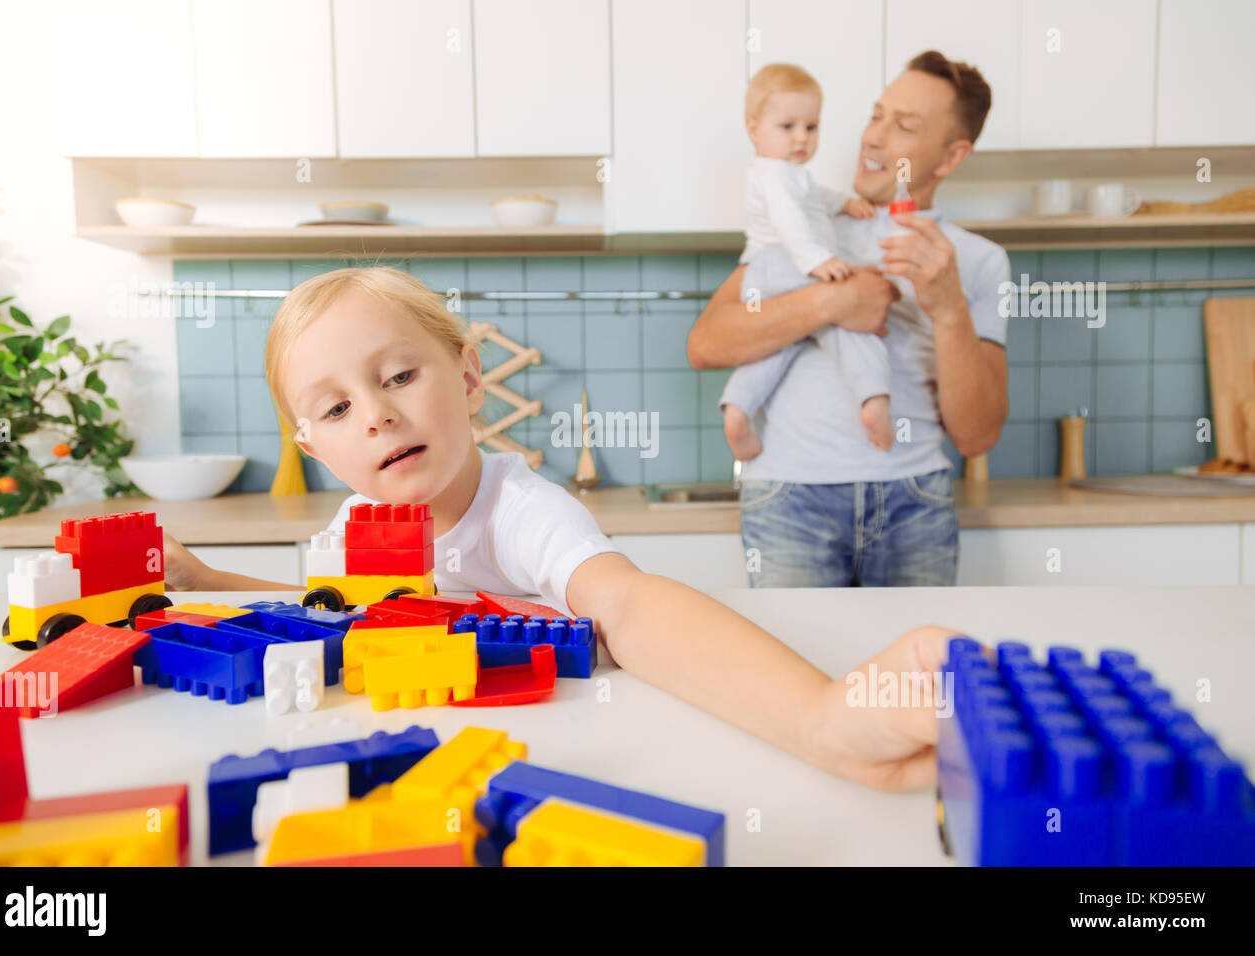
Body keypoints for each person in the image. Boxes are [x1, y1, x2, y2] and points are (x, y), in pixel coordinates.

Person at [162, 265, 957, 790]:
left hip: (567, 757)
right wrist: (202, 581)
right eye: (336, 409)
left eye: (399, 375)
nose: (378, 415)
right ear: (312, 446)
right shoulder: (354, 526)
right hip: (431, 762)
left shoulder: (520, 510)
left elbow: (632, 606)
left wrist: (821, 719)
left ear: (470, 379)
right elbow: (319, 610)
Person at [689, 50, 1011, 589]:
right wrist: (834, 302)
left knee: (920, 674)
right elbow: (707, 343)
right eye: (876, 114)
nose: (874, 138)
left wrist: (949, 310)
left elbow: (977, 435)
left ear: (951, 156)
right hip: (790, 500)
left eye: (904, 126)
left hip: (915, 501)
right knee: (798, 671)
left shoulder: (976, 260)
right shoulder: (807, 232)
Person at [721, 63, 889, 463]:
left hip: (769, 271)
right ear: (753, 129)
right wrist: (819, 261)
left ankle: (738, 408)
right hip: (785, 263)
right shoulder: (774, 174)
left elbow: (816, 198)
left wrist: (845, 203)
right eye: (788, 126)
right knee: (850, 324)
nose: (802, 137)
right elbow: (789, 221)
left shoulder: (790, 174)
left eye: (811, 127)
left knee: (777, 345)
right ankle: (874, 398)